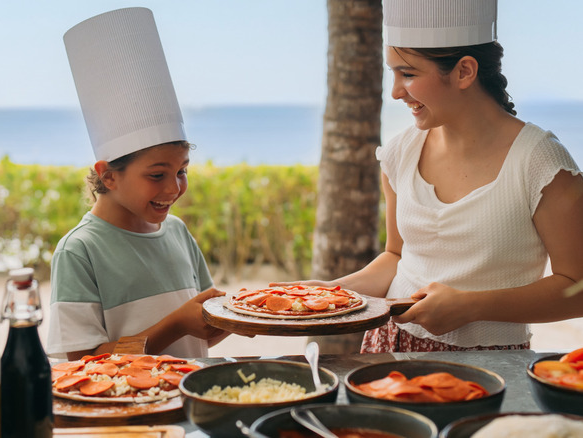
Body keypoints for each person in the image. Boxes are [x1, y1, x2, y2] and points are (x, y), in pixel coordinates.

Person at [277, 0, 583, 353]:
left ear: (464, 71)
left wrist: (472, 306)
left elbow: (576, 288)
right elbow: (396, 257)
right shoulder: (399, 153)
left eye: (408, 74)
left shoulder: (540, 162)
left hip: (490, 367)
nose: (395, 91)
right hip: (388, 349)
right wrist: (328, 292)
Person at [46, 7, 228, 361]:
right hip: (127, 411)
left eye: (182, 171)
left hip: (190, 399)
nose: (174, 188)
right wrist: (175, 324)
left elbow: (200, 333)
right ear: (108, 175)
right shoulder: (79, 251)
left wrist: (240, 316)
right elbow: (83, 361)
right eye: (157, 174)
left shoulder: (177, 232)